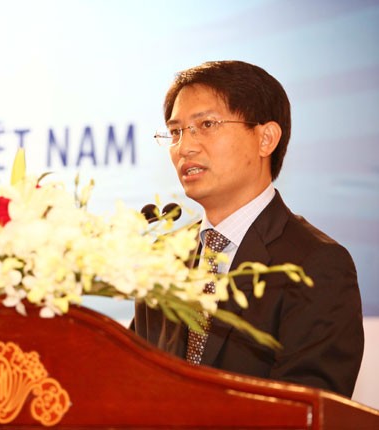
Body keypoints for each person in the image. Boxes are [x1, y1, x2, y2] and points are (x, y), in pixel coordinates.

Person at [132, 60, 364, 398]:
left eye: (206, 124)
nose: (185, 147)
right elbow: (131, 383)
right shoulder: (161, 259)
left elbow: (303, 409)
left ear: (266, 138)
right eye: (176, 131)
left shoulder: (316, 265)